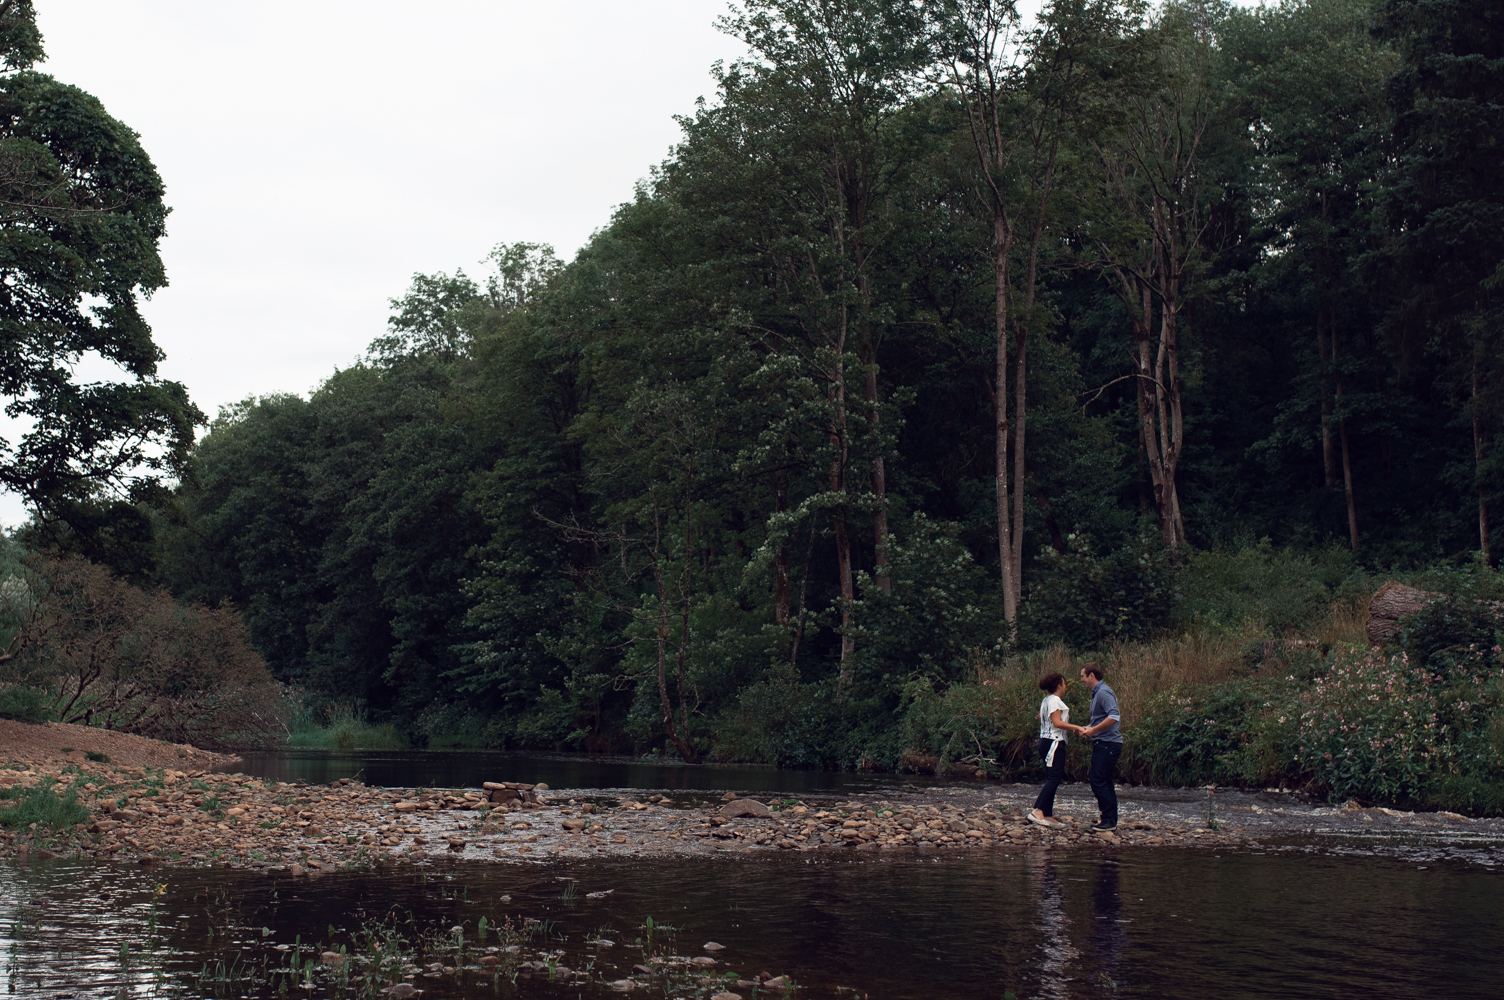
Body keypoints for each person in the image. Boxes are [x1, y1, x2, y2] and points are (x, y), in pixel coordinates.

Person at [1028, 672, 1082, 827]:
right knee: (1054, 777)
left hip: (1046, 741)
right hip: (1054, 742)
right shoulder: (1055, 701)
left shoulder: (1047, 700)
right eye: (1064, 684)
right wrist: (1076, 727)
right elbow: (1057, 723)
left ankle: (1047, 813)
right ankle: (1037, 810)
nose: (1065, 687)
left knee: (1052, 777)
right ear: (1059, 685)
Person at [1076, 663, 1122, 833]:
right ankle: (1110, 820)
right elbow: (1101, 719)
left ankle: (1108, 819)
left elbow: (1114, 716)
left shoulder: (1103, 692)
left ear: (1092, 676)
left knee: (1097, 780)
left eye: (1083, 676)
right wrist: (1088, 728)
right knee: (1105, 781)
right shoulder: (1098, 693)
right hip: (1105, 742)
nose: (1081, 679)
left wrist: (1093, 730)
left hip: (1108, 743)